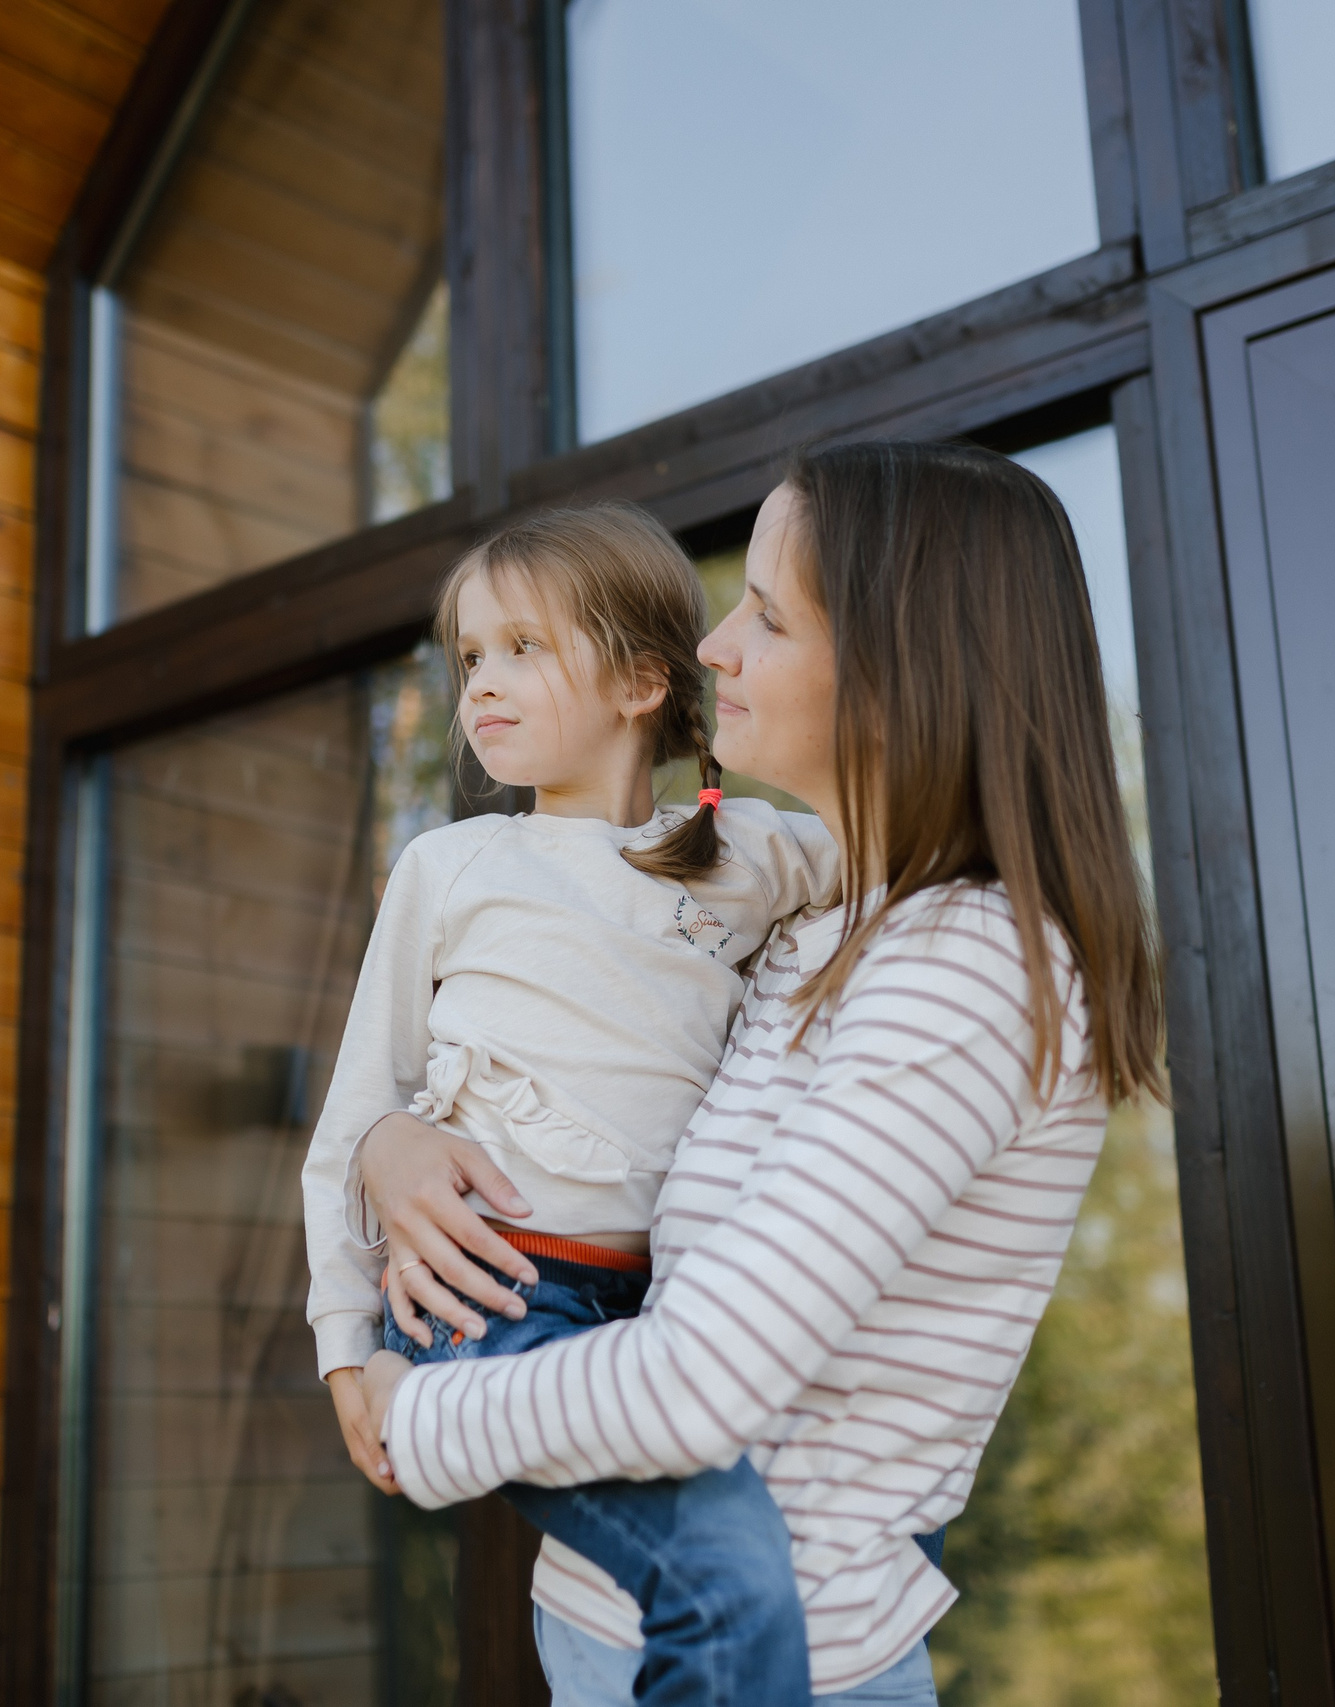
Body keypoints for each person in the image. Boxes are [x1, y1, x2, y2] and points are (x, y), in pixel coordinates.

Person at [352, 440, 1168, 1705]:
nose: (714, 648)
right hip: (620, 1619)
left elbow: (700, 1382)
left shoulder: (966, 968)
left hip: (781, 1658)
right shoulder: (821, 926)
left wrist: (404, 1413)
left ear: (901, 670)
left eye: (768, 617)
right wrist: (392, 1139)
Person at [300, 500, 844, 1706]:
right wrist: (343, 1351)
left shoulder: (745, 852)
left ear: (642, 681)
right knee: (727, 1577)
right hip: (491, 1300)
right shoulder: (452, 865)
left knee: (745, 1573)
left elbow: (902, 846)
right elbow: (357, 1115)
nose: (481, 685)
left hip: (661, 1314)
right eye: (470, 658)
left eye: (522, 648)